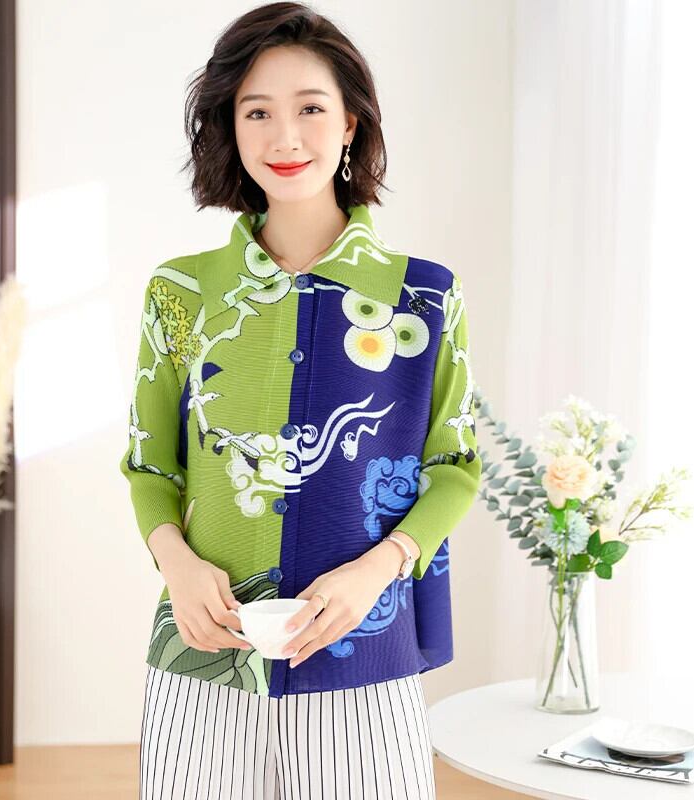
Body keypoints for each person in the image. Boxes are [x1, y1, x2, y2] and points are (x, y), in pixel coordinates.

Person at [119, 3, 482, 798]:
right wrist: (178, 566)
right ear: (230, 128)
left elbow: (454, 469)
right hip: (205, 656)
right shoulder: (180, 293)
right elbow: (150, 467)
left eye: (310, 109)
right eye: (257, 113)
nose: (285, 137)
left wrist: (377, 571)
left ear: (350, 123)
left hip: (365, 654)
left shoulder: (423, 298)